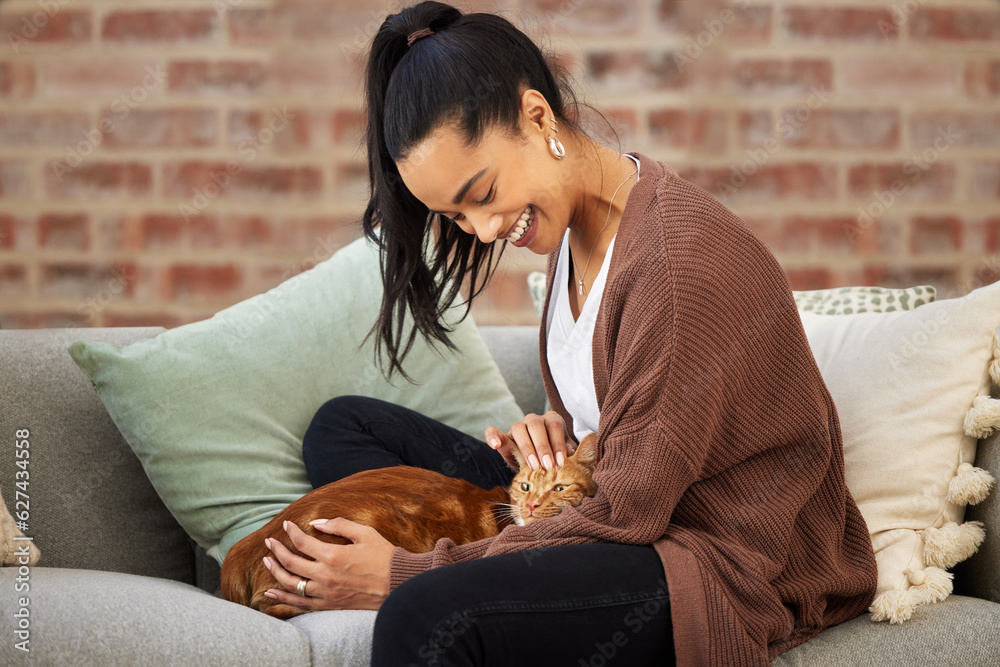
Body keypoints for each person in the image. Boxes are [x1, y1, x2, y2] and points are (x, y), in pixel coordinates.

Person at [260, 2, 879, 664]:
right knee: (344, 427)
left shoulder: (676, 266)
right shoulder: (575, 229)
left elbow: (625, 512)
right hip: (614, 497)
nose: (485, 229)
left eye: (482, 191)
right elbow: (625, 415)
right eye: (456, 216)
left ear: (536, 117)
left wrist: (402, 575)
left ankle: (409, 570)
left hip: (703, 553)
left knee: (422, 613)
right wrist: (562, 431)